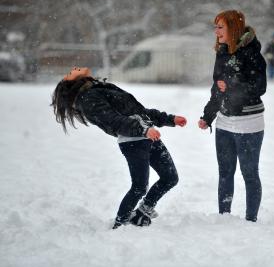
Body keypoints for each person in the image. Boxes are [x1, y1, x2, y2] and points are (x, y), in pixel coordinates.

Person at [51, 67, 187, 229]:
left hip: (148, 135)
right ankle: (119, 225)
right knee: (139, 187)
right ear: (71, 83)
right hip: (134, 141)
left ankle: (142, 212)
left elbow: (140, 112)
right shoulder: (87, 99)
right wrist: (143, 130)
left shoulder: (98, 88)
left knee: (170, 178)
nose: (72, 68)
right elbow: (113, 121)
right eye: (68, 73)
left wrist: (169, 119)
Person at [198, 10, 267, 222]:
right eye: (215, 27)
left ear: (233, 29)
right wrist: (208, 115)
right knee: (225, 173)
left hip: (249, 123)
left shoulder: (252, 53)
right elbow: (217, 87)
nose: (216, 31)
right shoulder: (222, 51)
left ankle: (251, 220)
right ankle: (224, 218)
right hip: (224, 122)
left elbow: (259, 87)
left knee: (249, 173)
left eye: (220, 27)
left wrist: (232, 85)